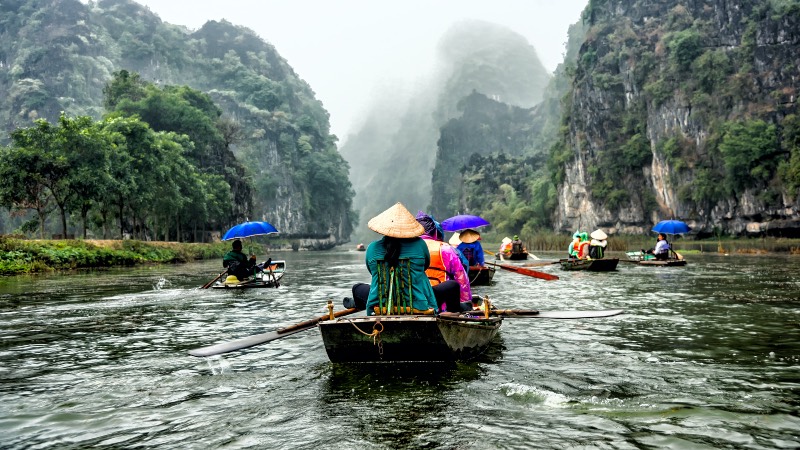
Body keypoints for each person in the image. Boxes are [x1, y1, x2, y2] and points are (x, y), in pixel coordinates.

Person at [349, 203, 439, 316]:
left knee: (357, 288)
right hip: (418, 304)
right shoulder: (420, 245)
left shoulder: (372, 248)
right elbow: (425, 266)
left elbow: (372, 272)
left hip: (380, 305)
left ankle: (357, 304)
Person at [415, 211, 474, 312]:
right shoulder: (446, 249)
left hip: (413, 300)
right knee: (453, 285)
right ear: (435, 233)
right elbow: (461, 279)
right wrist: (466, 303)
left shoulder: (407, 249)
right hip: (440, 304)